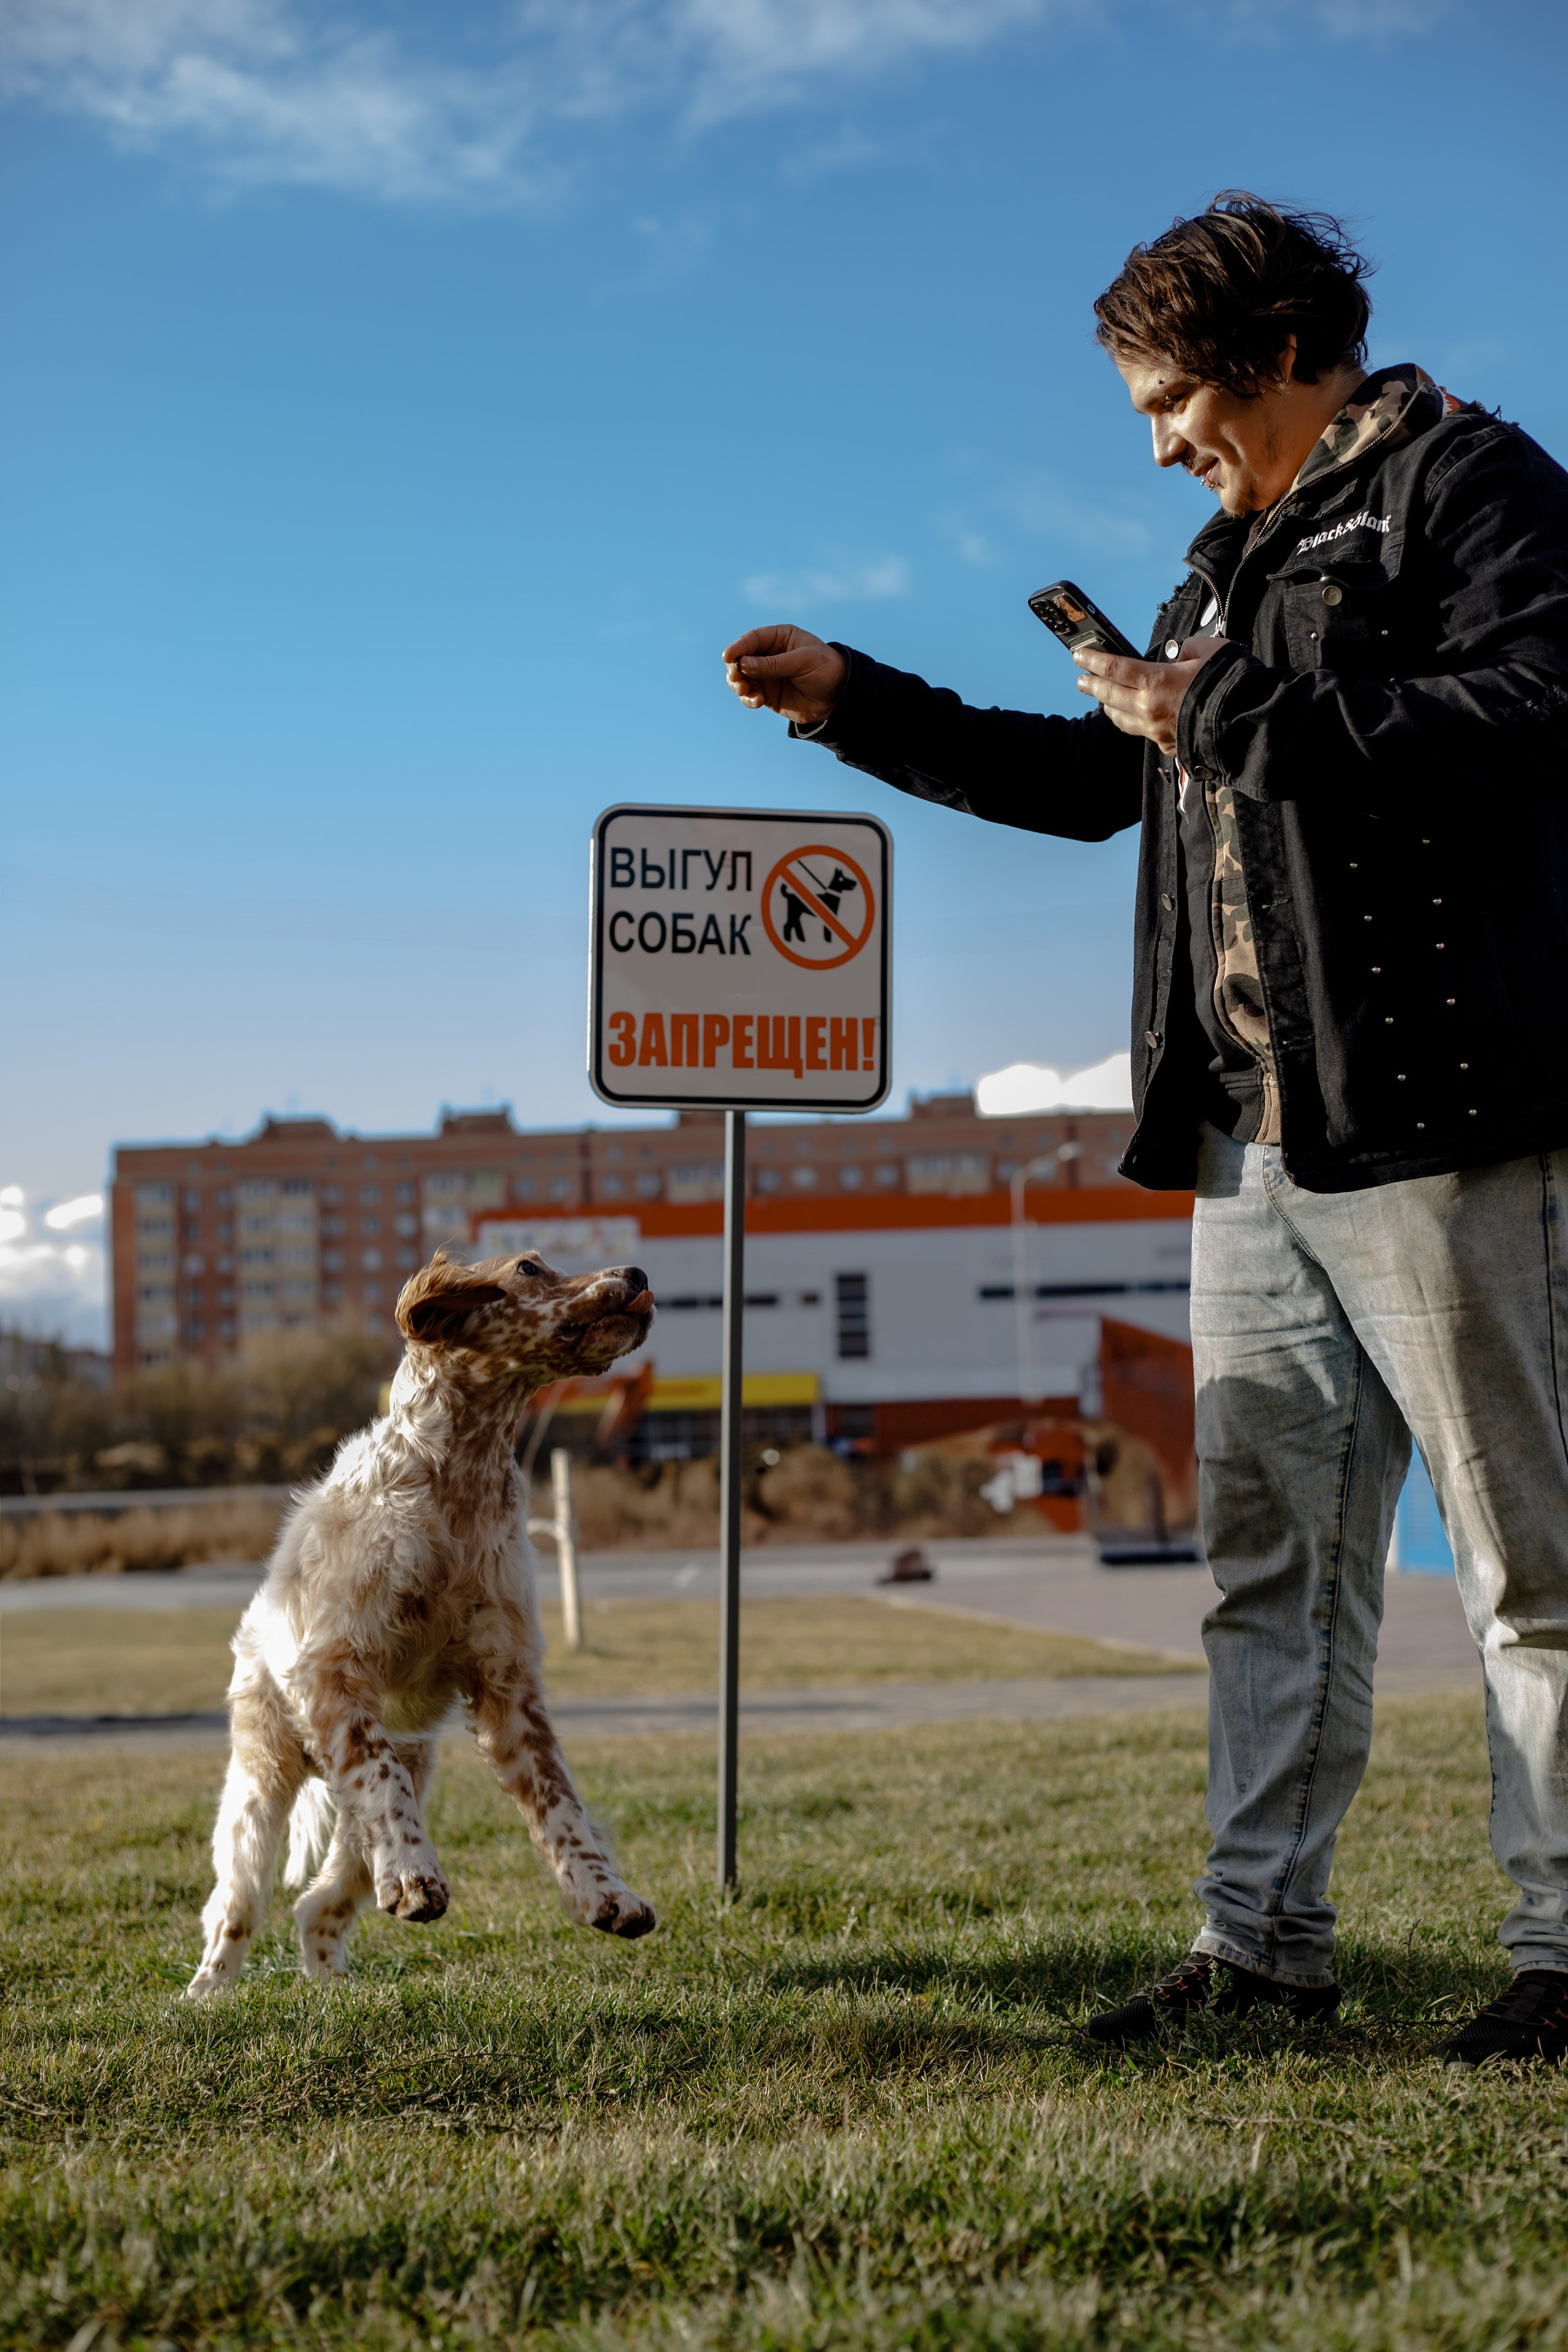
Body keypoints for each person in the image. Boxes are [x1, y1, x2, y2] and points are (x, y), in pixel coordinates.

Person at [722, 194, 1568, 2071]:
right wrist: (861, 705)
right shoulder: (1216, 565)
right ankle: (1260, 1953)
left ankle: (1563, 1952)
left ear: (1280, 349)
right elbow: (1090, 781)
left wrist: (1243, 710)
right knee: (1268, 1561)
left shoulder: (1468, 483)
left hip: (1445, 1117)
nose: (1160, 438)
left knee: (1531, 1560)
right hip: (1250, 1143)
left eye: (1172, 395)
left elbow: (1539, 712)